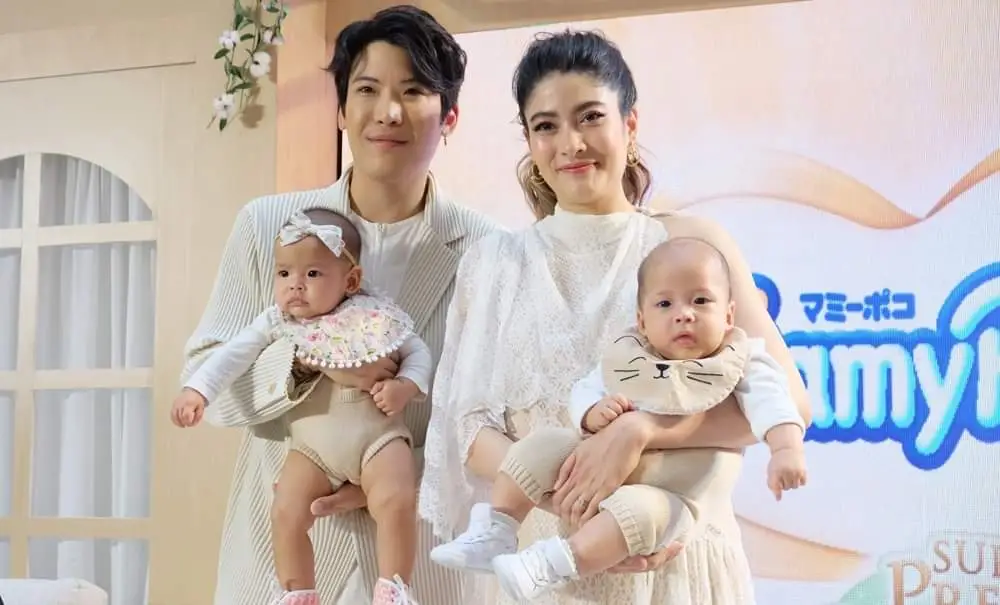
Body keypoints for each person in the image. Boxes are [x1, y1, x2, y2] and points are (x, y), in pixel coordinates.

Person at [419, 29, 812, 604]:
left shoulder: (691, 243)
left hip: (679, 561)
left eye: (590, 117)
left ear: (630, 124)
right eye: (546, 126)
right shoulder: (495, 263)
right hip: (548, 566)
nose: (570, 143)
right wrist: (587, 512)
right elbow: (472, 432)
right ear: (528, 141)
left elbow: (789, 403)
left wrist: (642, 429)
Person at [182, 6, 497, 605]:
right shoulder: (267, 225)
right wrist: (306, 363)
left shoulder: (488, 249)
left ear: (449, 117)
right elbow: (211, 382)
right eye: (368, 89)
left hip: (423, 565)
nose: (388, 111)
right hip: (280, 563)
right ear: (340, 110)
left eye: (413, 91)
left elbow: (497, 417)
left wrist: (397, 474)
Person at [430, 237, 808, 600]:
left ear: (728, 315)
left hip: (671, 491)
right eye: (665, 304)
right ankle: (498, 527)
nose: (684, 314)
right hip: (595, 466)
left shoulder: (740, 360)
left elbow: (775, 403)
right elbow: (587, 389)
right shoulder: (631, 358)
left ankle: (551, 564)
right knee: (541, 446)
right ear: (642, 321)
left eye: (700, 300)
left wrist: (786, 449)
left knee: (638, 516)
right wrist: (591, 413)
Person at [174, 209, 431, 604]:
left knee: (395, 499)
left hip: (379, 440)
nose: (295, 285)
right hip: (312, 450)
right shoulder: (277, 321)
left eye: (312, 273)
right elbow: (231, 357)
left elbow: (417, 351)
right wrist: (198, 391)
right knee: (286, 511)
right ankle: (297, 592)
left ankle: (393, 588)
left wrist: (405, 386)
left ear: (351, 281)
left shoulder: (373, 315)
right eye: (284, 273)